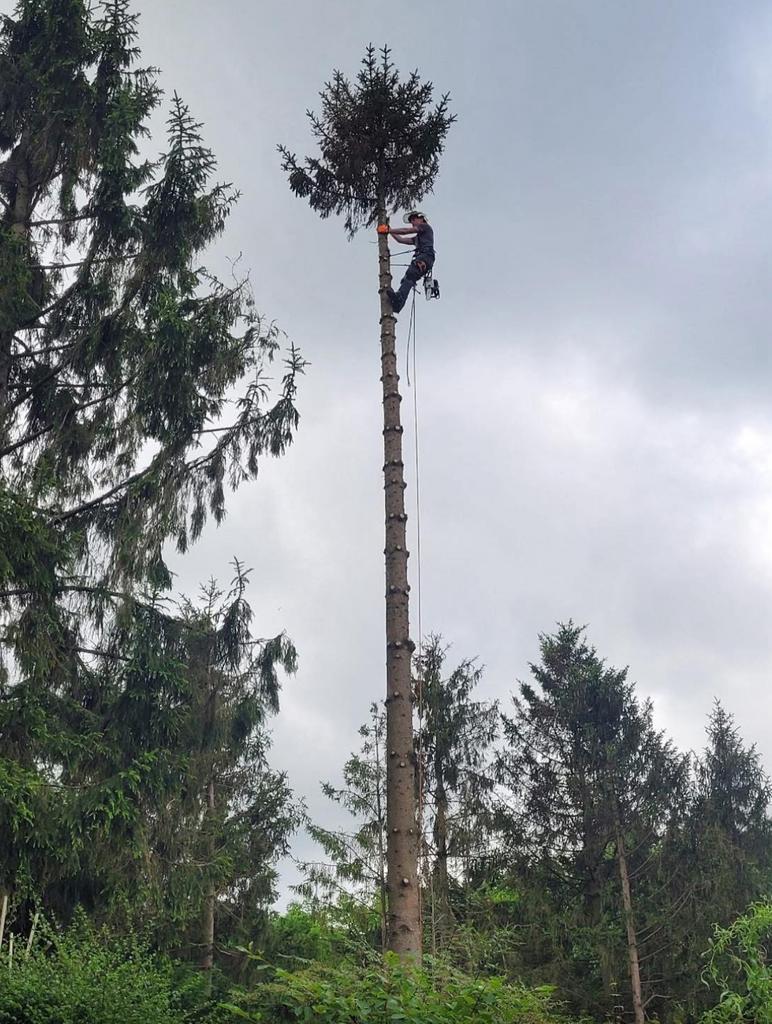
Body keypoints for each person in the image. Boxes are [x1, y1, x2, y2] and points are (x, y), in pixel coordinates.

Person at [385, 211, 435, 313]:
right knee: (407, 278)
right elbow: (401, 240)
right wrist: (389, 231)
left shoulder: (425, 227)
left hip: (426, 256)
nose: (412, 223)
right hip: (424, 258)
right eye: (411, 221)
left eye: (414, 219)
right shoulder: (417, 238)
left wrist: (388, 230)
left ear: (421, 219)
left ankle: (399, 299)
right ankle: (398, 303)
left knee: (411, 273)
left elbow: (405, 231)